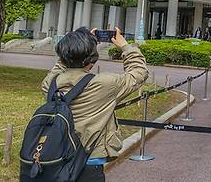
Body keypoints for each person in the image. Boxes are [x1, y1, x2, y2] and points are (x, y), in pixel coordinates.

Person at [39, 27, 148, 181]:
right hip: (89, 158)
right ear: (92, 61)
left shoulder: (50, 83)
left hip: (55, 156)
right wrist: (125, 46)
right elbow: (139, 73)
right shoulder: (105, 84)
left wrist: (73, 48)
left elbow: (58, 68)